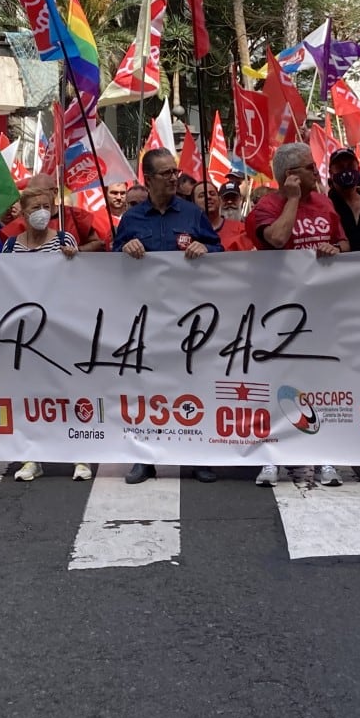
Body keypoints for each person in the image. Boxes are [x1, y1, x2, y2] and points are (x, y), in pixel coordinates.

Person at [113, 148, 222, 485]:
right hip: (145, 318)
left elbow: (219, 250)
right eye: (166, 173)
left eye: (175, 171)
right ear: (148, 179)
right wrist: (124, 248)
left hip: (189, 317)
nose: (174, 177)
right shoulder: (132, 219)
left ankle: (198, 457)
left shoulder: (192, 214)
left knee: (192, 384)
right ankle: (145, 458)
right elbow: (111, 260)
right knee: (145, 388)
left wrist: (206, 249)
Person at [249, 144, 348, 488]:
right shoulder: (266, 206)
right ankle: (271, 457)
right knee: (277, 385)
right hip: (279, 313)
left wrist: (334, 248)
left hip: (321, 309)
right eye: (309, 167)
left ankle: (325, 456)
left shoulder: (324, 203)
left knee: (321, 385)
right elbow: (275, 239)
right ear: (291, 176)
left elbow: (344, 244)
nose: (317, 172)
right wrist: (291, 200)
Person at [0, 186, 91, 484]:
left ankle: (80, 454)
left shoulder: (63, 240)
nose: (42, 212)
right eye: (35, 207)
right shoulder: (9, 246)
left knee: (69, 390)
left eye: (47, 205)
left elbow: (79, 282)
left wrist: (75, 258)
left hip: (60, 329)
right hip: (25, 334)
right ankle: (32, 456)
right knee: (30, 394)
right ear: (23, 211)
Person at [0, 173, 103, 252]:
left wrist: (75, 252)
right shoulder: (20, 223)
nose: (35, 196)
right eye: (31, 192)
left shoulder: (75, 216)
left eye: (40, 191)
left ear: (55, 192)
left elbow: (98, 243)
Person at [192, 181, 254, 251]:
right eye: (202, 195)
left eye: (212, 194)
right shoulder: (188, 231)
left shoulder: (243, 229)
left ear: (219, 199)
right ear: (193, 202)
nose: (208, 197)